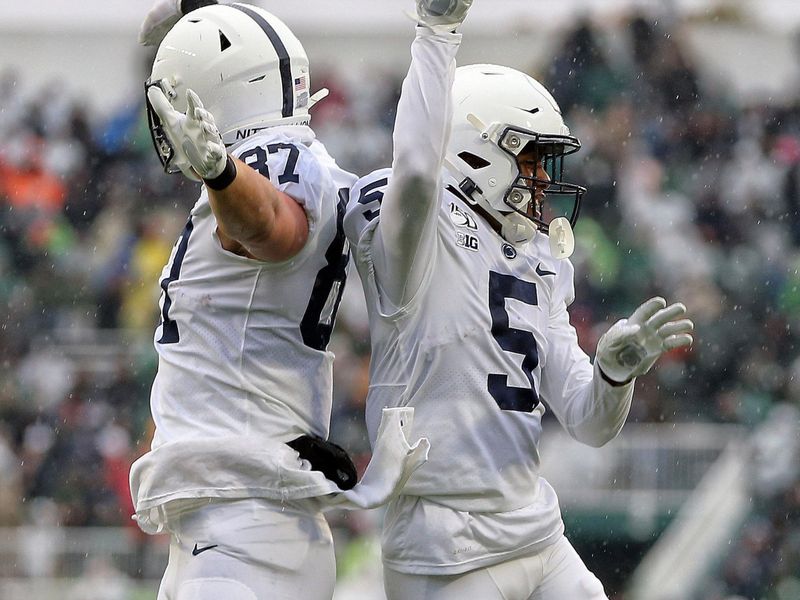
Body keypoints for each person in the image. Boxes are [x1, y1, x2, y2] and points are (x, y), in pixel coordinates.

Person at [343, 1, 695, 599]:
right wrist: (436, 36)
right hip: (444, 540)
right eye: (529, 160)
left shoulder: (538, 259)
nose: (540, 180)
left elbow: (587, 422)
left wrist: (611, 375)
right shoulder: (421, 237)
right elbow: (419, 171)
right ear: (476, 151)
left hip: (533, 524)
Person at [129, 4, 428, 599]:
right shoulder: (303, 161)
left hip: (242, 530)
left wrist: (219, 171)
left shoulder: (271, 166)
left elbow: (272, 228)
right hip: (236, 520)